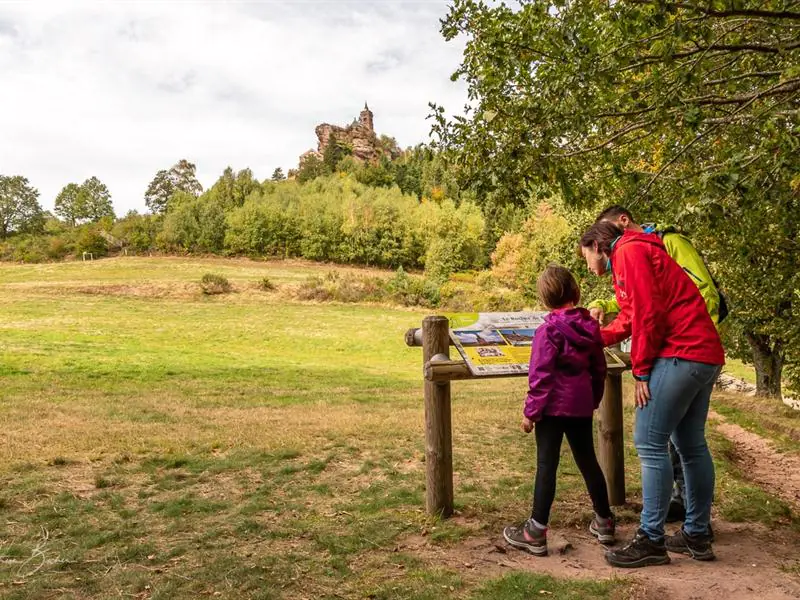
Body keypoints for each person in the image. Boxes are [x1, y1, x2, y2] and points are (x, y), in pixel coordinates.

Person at [579, 221, 724, 568]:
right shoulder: (639, 250)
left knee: (649, 441)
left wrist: (641, 371)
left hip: (681, 352)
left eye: (585, 257)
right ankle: (696, 534)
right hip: (705, 354)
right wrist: (594, 338)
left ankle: (651, 539)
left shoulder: (628, 252)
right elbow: (631, 316)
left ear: (598, 246)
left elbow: (648, 316)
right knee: (691, 445)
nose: (587, 266)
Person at [503, 265, 615, 556]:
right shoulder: (591, 329)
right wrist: (592, 400)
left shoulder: (547, 331)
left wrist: (530, 413)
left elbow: (540, 376)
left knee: (547, 466)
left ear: (544, 300)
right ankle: (605, 522)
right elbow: (598, 370)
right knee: (589, 462)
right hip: (580, 407)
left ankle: (536, 531)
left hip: (552, 409)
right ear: (576, 293)